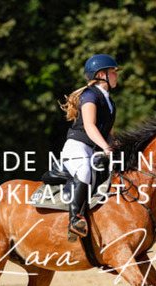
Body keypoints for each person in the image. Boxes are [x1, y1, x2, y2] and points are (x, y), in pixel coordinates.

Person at [59, 54, 120, 242]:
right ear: (101, 75)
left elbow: (109, 134)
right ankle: (74, 220)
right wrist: (106, 148)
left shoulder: (110, 102)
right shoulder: (90, 95)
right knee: (85, 171)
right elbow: (89, 126)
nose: (116, 75)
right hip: (77, 147)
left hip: (95, 150)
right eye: (113, 72)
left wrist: (117, 147)